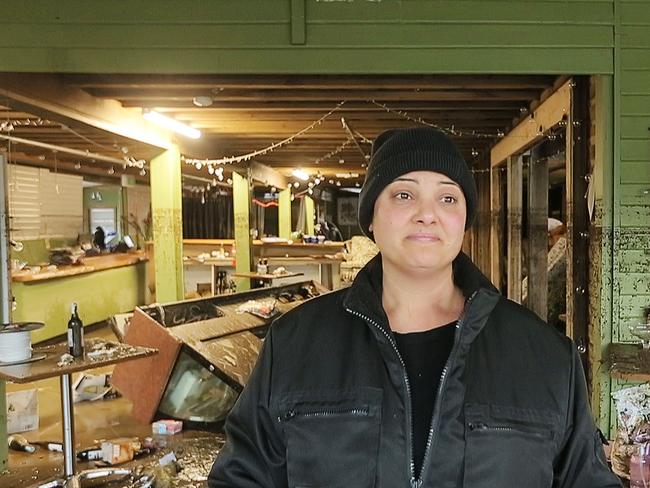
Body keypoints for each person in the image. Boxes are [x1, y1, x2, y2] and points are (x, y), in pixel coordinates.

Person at [208, 127, 621, 487]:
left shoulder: (546, 358)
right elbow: (242, 477)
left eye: (447, 198)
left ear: (463, 219)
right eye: (404, 194)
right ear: (371, 217)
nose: (427, 214)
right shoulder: (295, 345)